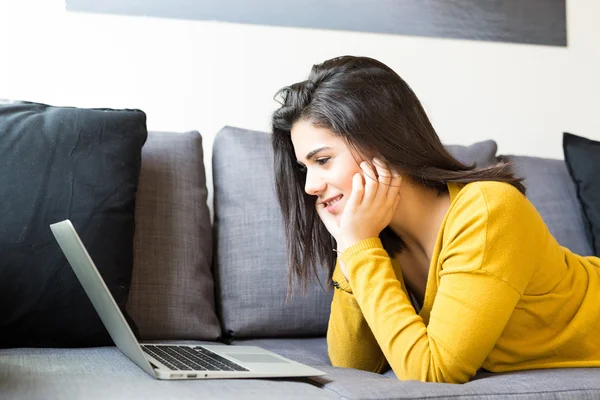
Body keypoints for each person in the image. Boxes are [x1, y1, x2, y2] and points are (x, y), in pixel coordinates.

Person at [270, 55, 600, 384]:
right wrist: (352, 247)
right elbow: (353, 364)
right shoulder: (378, 236)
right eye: (304, 168)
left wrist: (357, 246)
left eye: (323, 160)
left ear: (382, 143)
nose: (310, 187)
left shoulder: (488, 210)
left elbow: (433, 373)